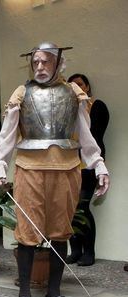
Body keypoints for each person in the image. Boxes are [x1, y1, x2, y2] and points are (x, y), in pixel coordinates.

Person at [0, 42, 110, 297]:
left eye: (46, 62)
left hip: (67, 169)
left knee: (60, 232)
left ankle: (54, 293)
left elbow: (85, 135)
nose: (40, 67)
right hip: (29, 169)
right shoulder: (22, 93)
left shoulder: (74, 93)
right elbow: (7, 136)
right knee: (28, 234)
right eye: (36, 62)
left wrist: (99, 164)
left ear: (58, 63)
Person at [65, 74, 109, 267]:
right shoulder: (68, 110)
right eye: (72, 85)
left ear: (88, 86)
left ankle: (89, 252)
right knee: (69, 209)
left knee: (81, 208)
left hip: (89, 167)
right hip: (69, 166)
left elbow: (93, 135)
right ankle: (75, 250)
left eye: (80, 84)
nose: (76, 87)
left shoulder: (97, 106)